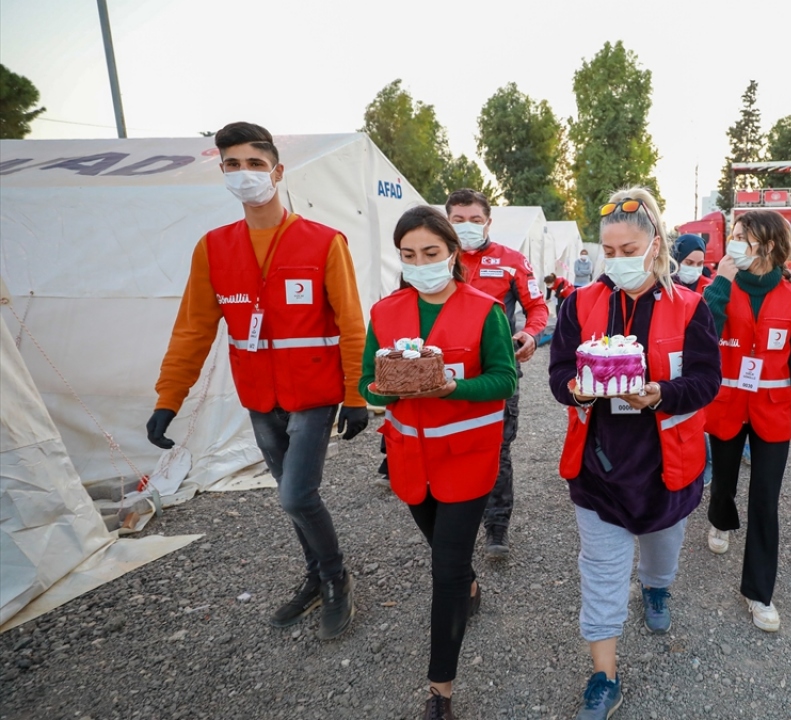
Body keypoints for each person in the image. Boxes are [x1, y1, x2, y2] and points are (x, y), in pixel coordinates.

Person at [146, 122, 367, 640]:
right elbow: (193, 331)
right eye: (232, 164)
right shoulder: (214, 249)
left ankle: (335, 578)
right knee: (293, 496)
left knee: (295, 496)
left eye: (253, 163)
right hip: (259, 399)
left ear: (277, 171)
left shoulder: (323, 242)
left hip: (314, 395)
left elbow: (352, 324)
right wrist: (167, 400)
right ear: (221, 171)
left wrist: (358, 396)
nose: (244, 174)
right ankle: (315, 576)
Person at [549, 188, 719, 720]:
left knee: (661, 550)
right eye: (609, 250)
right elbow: (558, 376)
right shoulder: (580, 303)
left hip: (668, 463)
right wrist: (578, 389)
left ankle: (657, 588)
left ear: (655, 246)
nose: (616, 260)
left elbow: (706, 381)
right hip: (600, 463)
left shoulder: (691, 307)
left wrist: (661, 395)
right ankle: (604, 675)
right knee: (600, 569)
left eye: (628, 249)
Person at [360, 205, 518, 720]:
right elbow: (367, 379)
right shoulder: (385, 313)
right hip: (410, 460)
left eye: (430, 252)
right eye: (409, 255)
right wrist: (380, 392)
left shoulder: (483, 309)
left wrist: (455, 387)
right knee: (445, 553)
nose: (420, 262)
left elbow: (505, 379)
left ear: (452, 252)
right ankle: (471, 584)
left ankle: (440, 692)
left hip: (467, 461)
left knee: (444, 570)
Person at [701, 210, 791, 632]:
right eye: (733, 234)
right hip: (727, 404)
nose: (734, 242)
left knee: (765, 500)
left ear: (767, 245)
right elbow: (702, 337)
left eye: (742, 237)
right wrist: (721, 284)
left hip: (773, 409)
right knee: (724, 480)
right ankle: (719, 520)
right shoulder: (721, 287)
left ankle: (759, 592)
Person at [448, 189, 549, 558]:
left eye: (475, 220)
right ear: (447, 222)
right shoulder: (434, 259)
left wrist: (530, 334)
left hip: (498, 369)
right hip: (447, 372)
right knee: (452, 445)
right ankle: (454, 517)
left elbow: (537, 306)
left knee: (497, 448)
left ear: (488, 222)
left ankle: (496, 527)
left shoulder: (511, 260)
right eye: (458, 220)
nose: (467, 226)